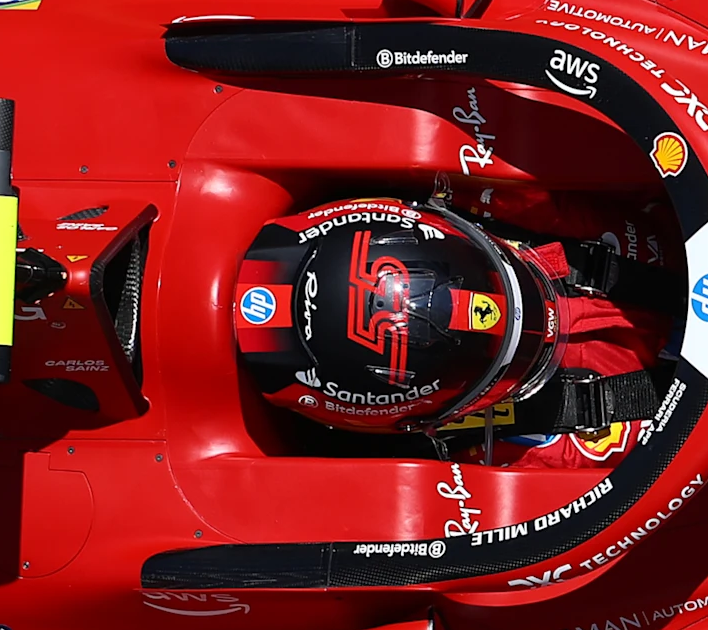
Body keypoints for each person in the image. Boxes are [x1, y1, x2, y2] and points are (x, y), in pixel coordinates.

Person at [230, 192, 673, 467]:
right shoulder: (522, 446)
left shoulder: (509, 202)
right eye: (496, 358)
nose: (541, 331)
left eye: (491, 275)